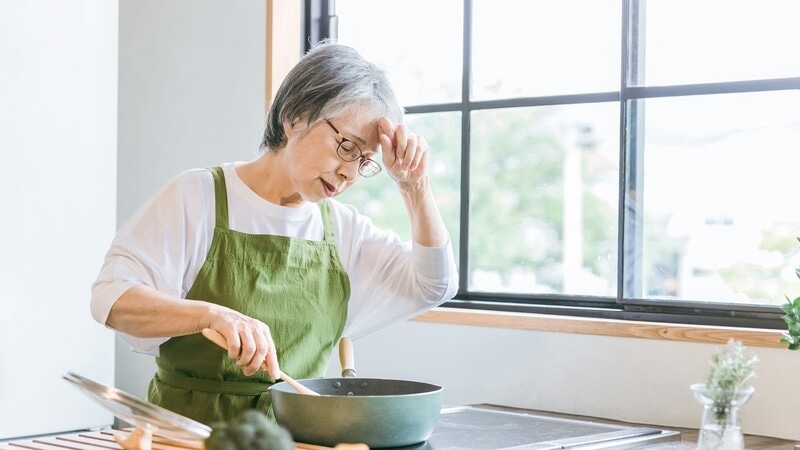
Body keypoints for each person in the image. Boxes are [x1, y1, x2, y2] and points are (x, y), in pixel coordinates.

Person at [90, 41, 458, 425]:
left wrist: (415, 188)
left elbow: (436, 283)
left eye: (365, 161)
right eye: (347, 146)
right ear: (295, 116)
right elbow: (112, 299)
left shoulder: (344, 231)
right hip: (185, 435)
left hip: (294, 436)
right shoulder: (197, 196)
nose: (350, 172)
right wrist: (211, 316)